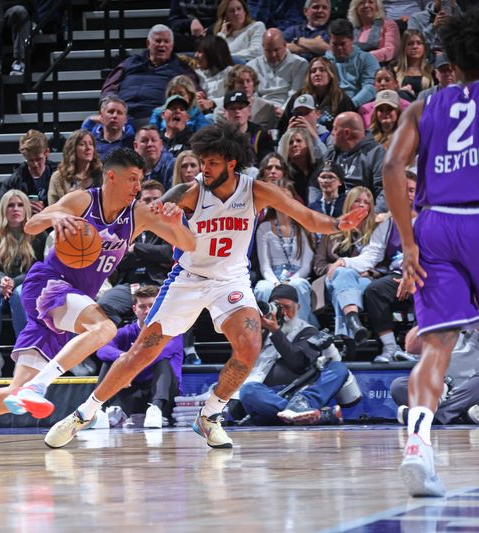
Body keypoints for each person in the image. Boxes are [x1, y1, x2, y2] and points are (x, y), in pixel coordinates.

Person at [43, 124, 366, 449]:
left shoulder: (256, 191)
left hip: (231, 280)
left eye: (211, 163)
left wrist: (339, 224)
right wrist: (154, 217)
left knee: (250, 343)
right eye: (201, 162)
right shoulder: (189, 192)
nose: (204, 169)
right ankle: (84, 413)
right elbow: (141, 217)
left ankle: (209, 415)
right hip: (188, 280)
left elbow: (307, 217)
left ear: (230, 162)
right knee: (141, 353)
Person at [0, 148, 197, 456]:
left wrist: (177, 222)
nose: (138, 187)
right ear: (112, 176)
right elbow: (31, 226)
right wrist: (56, 215)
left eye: (141, 180)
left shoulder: (138, 214)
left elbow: (189, 245)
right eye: (133, 179)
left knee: (13, 396)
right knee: (105, 328)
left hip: (72, 301)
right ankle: (39, 386)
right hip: (48, 284)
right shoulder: (84, 200)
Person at [382, 11, 479, 496]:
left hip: (434, 223)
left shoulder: (422, 106)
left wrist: (409, 239)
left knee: (436, 343)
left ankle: (417, 447)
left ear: (451, 61)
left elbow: (392, 165)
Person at [238, 284, 347, 425]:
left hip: (298, 391)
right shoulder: (257, 331)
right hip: (267, 395)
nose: (282, 313)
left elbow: (297, 361)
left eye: (287, 307)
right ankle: (312, 415)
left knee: (339, 368)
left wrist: (276, 332)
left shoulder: (308, 331)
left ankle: (301, 406)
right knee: (249, 390)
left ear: (298, 308)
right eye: (277, 307)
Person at [96, 285, 185, 428]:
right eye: (142, 307)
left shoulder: (172, 331)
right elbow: (102, 350)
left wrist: (129, 368)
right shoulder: (126, 332)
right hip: (132, 390)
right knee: (109, 361)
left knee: (162, 362)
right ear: (134, 309)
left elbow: (156, 355)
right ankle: (98, 410)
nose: (147, 311)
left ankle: (156, 409)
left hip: (164, 394)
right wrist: (123, 356)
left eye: (152, 305)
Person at [0, 190, 46, 378]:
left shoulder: (38, 235)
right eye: (10, 205)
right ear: (3, 209)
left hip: (27, 282)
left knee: (19, 294)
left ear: (27, 209)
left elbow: (37, 269)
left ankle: (23, 356)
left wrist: (12, 282)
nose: (15, 209)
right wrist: (2, 280)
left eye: (19, 205)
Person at [312, 186, 390, 343]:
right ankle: (353, 326)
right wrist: (336, 268)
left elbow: (383, 262)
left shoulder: (377, 229)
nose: (362, 205)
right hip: (332, 278)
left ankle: (348, 334)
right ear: (348, 204)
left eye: (366, 202)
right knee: (344, 274)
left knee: (344, 289)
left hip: (363, 280)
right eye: (358, 201)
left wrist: (369, 273)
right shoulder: (334, 227)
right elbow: (318, 264)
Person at [96, 180, 176, 326]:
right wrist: (152, 256)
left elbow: (168, 254)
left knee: (175, 307)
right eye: (147, 200)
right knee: (102, 306)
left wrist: (136, 248)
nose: (152, 203)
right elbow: (118, 259)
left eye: (156, 199)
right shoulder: (126, 224)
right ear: (138, 202)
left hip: (158, 284)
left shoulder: (170, 225)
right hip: (130, 284)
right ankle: (123, 338)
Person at [392, 326, 479, 425]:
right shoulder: (440, 318)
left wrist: (472, 317)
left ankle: (430, 417)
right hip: (439, 391)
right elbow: (411, 347)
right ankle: (461, 417)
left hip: (475, 393)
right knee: (398, 386)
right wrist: (432, 317)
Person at [364, 171, 418, 362]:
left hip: (425, 274)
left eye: (412, 190)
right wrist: (344, 262)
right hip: (396, 275)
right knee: (374, 290)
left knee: (426, 290)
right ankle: (390, 348)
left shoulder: (430, 220)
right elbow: (372, 254)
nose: (408, 194)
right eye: (404, 190)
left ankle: (417, 349)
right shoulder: (388, 223)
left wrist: (409, 276)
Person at [101, 24, 201, 123]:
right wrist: (108, 104)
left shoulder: (181, 68)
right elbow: (110, 87)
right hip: (122, 114)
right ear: (148, 43)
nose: (162, 45)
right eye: (158, 41)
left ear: (172, 45)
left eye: (166, 41)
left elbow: (194, 90)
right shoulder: (130, 62)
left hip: (154, 116)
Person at [254, 179, 317, 324]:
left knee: (298, 285)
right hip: (273, 276)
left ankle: (301, 328)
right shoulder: (264, 228)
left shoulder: (302, 228)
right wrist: (276, 283)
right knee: (262, 288)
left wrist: (291, 280)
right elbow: (265, 265)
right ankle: (266, 331)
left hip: (297, 275)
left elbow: (306, 263)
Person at [279, 56, 357, 134]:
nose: (317, 74)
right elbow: (282, 126)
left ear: (330, 74)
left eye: (322, 70)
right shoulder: (299, 97)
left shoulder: (342, 99)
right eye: (313, 71)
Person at [327, 111, 387, 211]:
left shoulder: (375, 152)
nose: (332, 132)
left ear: (347, 133)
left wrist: (374, 216)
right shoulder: (332, 152)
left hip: (362, 213)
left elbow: (384, 189)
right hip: (331, 213)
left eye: (335, 128)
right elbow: (315, 185)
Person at [247, 28, 308, 110]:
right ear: (262, 47)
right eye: (268, 51)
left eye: (276, 50)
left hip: (286, 110)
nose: (273, 55)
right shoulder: (252, 66)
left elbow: (296, 93)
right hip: (259, 110)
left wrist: (284, 111)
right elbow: (252, 94)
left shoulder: (300, 64)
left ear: (285, 45)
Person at [324, 18, 379, 108]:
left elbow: (370, 87)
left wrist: (351, 104)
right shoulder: (324, 62)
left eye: (342, 44)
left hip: (360, 106)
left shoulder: (367, 59)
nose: (339, 48)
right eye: (335, 44)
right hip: (330, 106)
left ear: (352, 39)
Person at [0, 129, 55, 212]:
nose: (35, 164)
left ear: (47, 152)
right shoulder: (13, 181)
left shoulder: (59, 178)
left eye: (39, 159)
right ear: (25, 157)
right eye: (30, 160)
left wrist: (47, 211)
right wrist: (22, 209)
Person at [213, 64, 279, 129]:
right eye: (240, 82)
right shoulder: (220, 112)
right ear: (232, 85)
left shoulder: (267, 108)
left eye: (248, 81)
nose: (245, 85)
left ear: (254, 83)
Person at [47, 130, 104, 206]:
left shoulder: (102, 174)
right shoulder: (58, 178)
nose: (88, 148)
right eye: (82, 144)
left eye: (91, 144)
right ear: (72, 149)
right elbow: (53, 209)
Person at [223, 90, 276, 166]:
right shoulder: (219, 136)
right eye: (232, 108)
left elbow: (266, 165)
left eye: (241, 107)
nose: (237, 111)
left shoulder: (261, 135)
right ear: (225, 113)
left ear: (249, 110)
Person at [148, 75, 212, 132]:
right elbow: (152, 133)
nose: (177, 97)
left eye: (182, 94)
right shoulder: (158, 113)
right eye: (174, 94)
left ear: (190, 95)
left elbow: (203, 135)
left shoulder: (196, 114)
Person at [86, 96, 135, 161]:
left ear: (125, 119)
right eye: (111, 112)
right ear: (101, 116)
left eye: (119, 113)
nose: (114, 116)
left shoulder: (132, 144)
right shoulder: (91, 143)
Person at [194, 35, 235, 105]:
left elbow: (236, 97)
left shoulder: (232, 74)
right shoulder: (196, 74)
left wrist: (212, 103)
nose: (195, 55)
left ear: (212, 54)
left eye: (200, 52)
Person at [394, 29, 434, 98]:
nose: (415, 47)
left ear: (424, 47)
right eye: (410, 44)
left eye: (419, 43)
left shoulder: (432, 71)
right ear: (404, 48)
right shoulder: (394, 71)